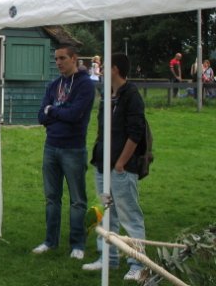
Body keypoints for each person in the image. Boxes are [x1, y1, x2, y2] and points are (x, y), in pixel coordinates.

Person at [82, 53, 147, 282]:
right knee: (107, 213)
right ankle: (107, 258)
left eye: (105, 67)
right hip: (102, 165)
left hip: (122, 168)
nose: (100, 71)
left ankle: (138, 263)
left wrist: (120, 162)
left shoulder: (131, 96)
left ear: (116, 69)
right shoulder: (108, 96)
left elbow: (136, 132)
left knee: (130, 215)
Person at [33, 44, 95, 260]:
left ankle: (77, 244)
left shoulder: (85, 85)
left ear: (74, 58)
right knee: (52, 197)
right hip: (51, 145)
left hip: (73, 147)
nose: (58, 62)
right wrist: (55, 113)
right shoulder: (53, 85)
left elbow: (76, 115)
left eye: (62, 58)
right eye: (56, 59)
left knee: (77, 200)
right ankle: (50, 241)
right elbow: (41, 115)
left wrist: (54, 111)